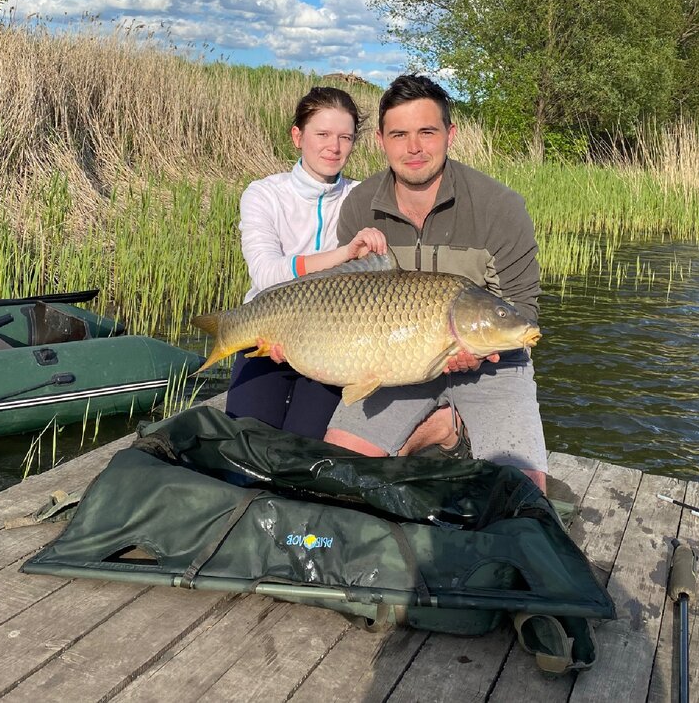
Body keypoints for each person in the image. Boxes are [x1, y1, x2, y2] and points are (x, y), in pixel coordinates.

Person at [322, 75, 549, 492]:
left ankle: (451, 427)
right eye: (399, 135)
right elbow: (345, 293)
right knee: (340, 471)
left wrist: (479, 352)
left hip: (493, 364)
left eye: (427, 132)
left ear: (450, 134)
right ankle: (447, 430)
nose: (413, 148)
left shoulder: (500, 206)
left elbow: (522, 311)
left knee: (521, 491)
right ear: (380, 140)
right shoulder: (360, 205)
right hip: (395, 362)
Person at [225, 86, 386, 437]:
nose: (335, 146)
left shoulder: (363, 198)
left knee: (306, 450)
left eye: (345, 137)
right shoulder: (264, 193)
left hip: (334, 345)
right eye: (323, 134)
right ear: (298, 136)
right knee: (246, 443)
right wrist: (343, 254)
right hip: (265, 333)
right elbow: (267, 275)